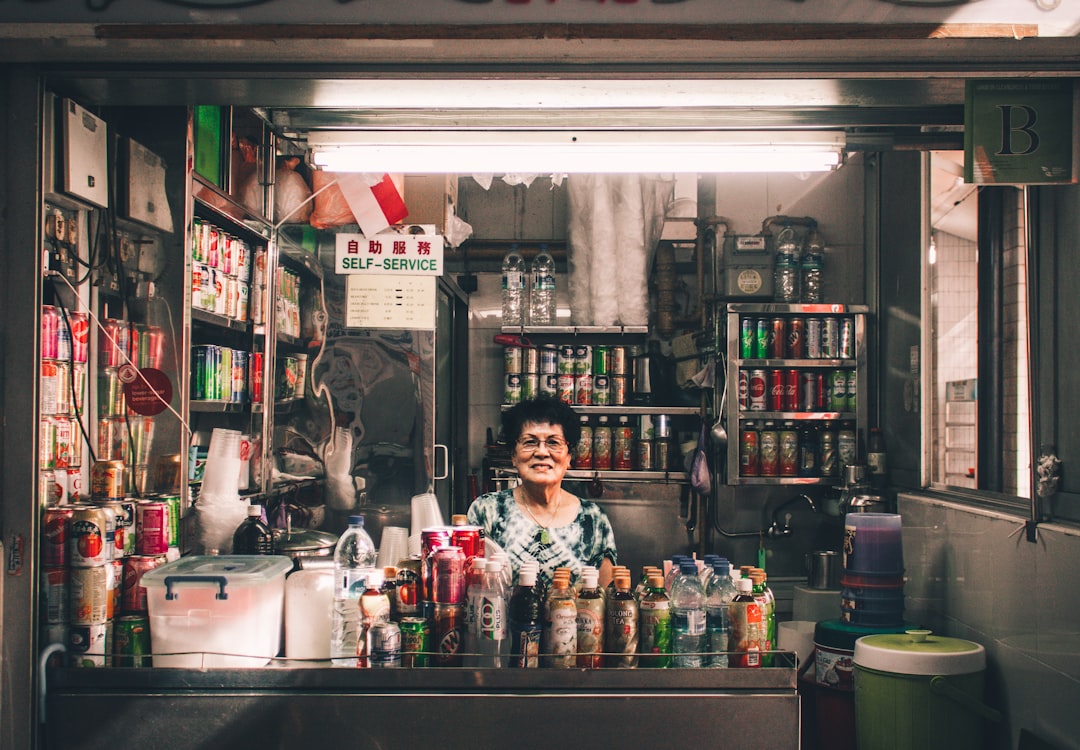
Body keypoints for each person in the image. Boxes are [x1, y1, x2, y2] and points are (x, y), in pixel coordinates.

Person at [468, 396, 617, 588]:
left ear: (569, 456)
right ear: (514, 455)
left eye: (553, 442)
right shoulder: (487, 511)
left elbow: (606, 598)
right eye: (530, 442)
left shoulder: (593, 519)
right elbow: (473, 588)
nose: (541, 452)